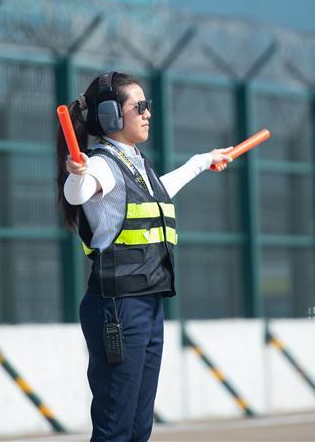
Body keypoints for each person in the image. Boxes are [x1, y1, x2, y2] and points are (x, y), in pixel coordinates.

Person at [56, 71, 232, 442]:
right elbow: (79, 192)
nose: (148, 112)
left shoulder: (136, 163)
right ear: (111, 116)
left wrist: (202, 161)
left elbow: (159, 192)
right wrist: (76, 172)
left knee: (138, 428)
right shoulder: (101, 163)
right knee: (116, 428)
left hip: (145, 304)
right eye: (140, 106)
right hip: (119, 308)